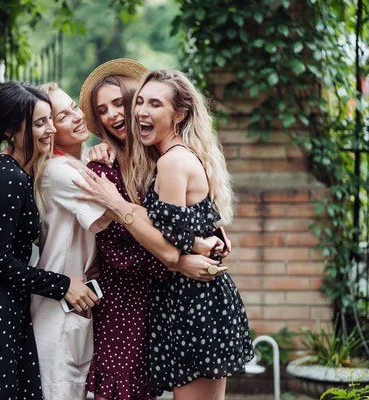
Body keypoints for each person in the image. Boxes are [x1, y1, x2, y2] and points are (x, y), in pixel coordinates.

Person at [75, 69, 254, 400]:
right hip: (131, 304)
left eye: (122, 103)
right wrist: (185, 255)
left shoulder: (163, 158)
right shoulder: (108, 166)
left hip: (178, 302)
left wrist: (198, 243)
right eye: (103, 110)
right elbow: (132, 245)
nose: (115, 114)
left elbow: (173, 228)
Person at [0, 82, 99, 400]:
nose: (50, 130)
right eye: (40, 123)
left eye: (50, 120)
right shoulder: (8, 178)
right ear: (13, 131)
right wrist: (63, 285)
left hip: (4, 311)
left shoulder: (15, 172)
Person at [30, 82, 109, 400]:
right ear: (50, 130)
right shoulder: (58, 171)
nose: (76, 117)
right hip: (58, 310)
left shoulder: (81, 164)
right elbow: (116, 213)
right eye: (63, 116)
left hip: (78, 304)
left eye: (73, 107)